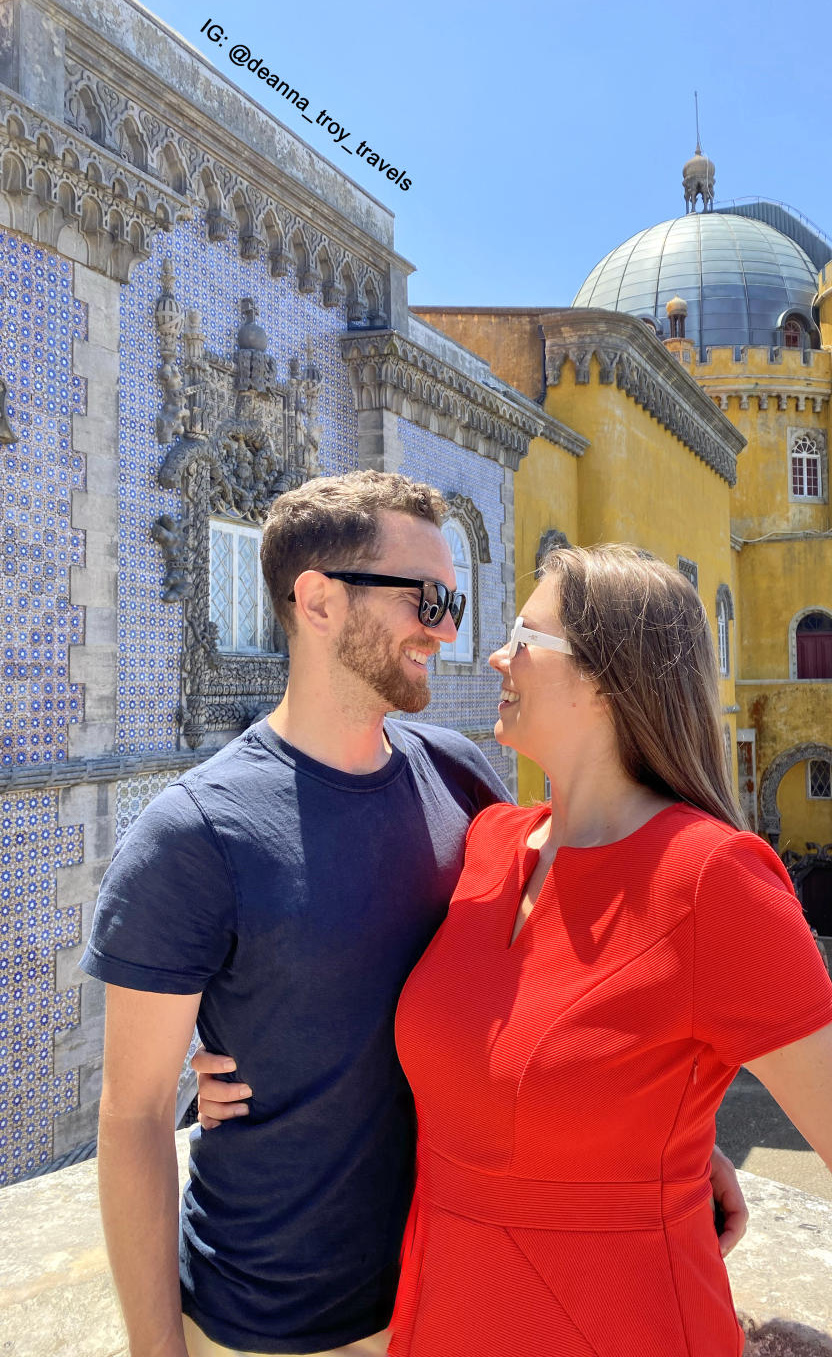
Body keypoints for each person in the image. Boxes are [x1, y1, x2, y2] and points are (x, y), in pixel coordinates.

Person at [88, 474, 747, 1357]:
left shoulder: (460, 775)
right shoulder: (193, 835)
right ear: (318, 601)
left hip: (456, 1299)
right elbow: (130, 1118)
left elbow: (576, 976)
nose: (447, 629)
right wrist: (156, 1348)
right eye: (426, 599)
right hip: (274, 1324)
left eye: (455, 600)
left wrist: (664, 1140)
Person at [383, 545, 832, 1356]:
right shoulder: (487, 842)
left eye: (526, 637)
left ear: (607, 680)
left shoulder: (713, 881)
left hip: (621, 1325)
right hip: (441, 1314)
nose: (498, 654)